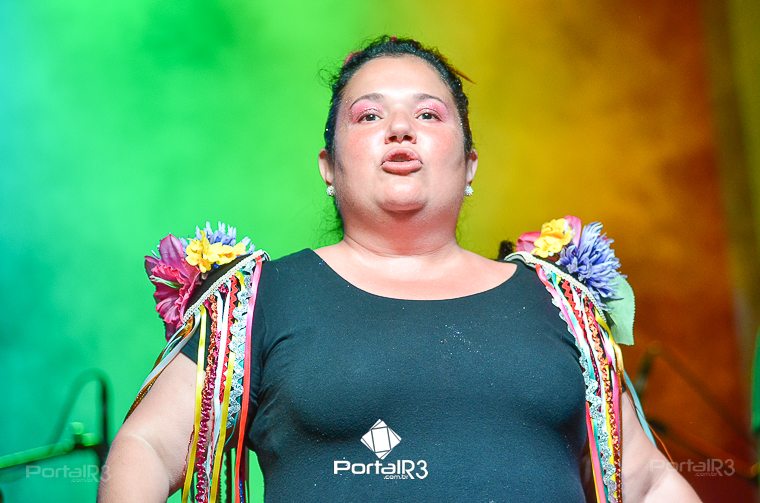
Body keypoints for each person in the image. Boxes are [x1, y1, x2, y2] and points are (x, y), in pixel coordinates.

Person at [98, 36, 701, 502]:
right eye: (368, 116)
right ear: (328, 166)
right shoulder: (259, 300)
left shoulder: (558, 302)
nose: (400, 129)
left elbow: (647, 478)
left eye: (429, 115)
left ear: (470, 164)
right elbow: (148, 445)